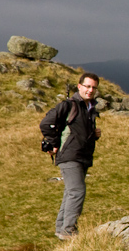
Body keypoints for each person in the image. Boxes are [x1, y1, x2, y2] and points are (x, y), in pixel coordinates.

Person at [40, 73, 102, 240]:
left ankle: (61, 229)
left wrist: (94, 133)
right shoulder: (69, 105)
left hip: (82, 156)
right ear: (79, 86)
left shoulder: (89, 108)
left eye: (93, 87)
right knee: (77, 191)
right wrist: (53, 143)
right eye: (87, 86)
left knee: (70, 192)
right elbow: (46, 124)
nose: (90, 90)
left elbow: (77, 130)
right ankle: (69, 231)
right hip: (69, 155)